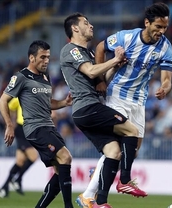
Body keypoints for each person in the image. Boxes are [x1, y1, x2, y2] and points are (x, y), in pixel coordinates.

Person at [75, 2, 172, 207]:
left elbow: (167, 78)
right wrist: (100, 79)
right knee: (118, 147)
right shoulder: (126, 37)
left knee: (132, 151)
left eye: (164, 27)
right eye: (158, 27)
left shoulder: (166, 47)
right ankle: (93, 195)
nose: (161, 31)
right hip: (117, 95)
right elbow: (101, 47)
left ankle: (99, 174)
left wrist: (165, 87)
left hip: (139, 101)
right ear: (147, 23)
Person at [60, 13, 147, 208]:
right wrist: (114, 59)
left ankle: (97, 201)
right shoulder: (71, 50)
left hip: (88, 111)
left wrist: (117, 65)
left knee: (114, 152)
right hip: (89, 107)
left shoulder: (89, 54)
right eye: (85, 23)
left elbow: (100, 80)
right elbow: (91, 71)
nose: (90, 26)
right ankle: (124, 180)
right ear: (75, 28)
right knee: (132, 130)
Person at [0, 40, 74, 208]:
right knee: (66, 157)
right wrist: (9, 125)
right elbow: (3, 101)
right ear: (32, 58)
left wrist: (64, 103)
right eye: (42, 57)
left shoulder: (45, 78)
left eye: (48, 57)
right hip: (35, 128)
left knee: (60, 170)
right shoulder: (21, 77)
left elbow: (48, 103)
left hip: (48, 127)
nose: (46, 60)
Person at [0, 97, 39, 198]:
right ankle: (17, 180)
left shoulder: (34, 95)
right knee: (33, 157)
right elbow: (8, 107)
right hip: (22, 129)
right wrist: (10, 123)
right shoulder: (19, 97)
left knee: (20, 161)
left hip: (29, 130)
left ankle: (4, 188)